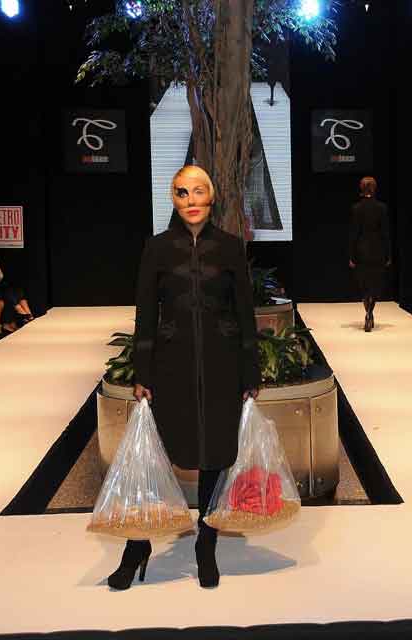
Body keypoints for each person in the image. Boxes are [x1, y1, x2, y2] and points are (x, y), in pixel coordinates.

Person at [107, 165, 261, 591]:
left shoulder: (230, 247)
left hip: (221, 365)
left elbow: (245, 312)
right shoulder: (157, 248)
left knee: (215, 454)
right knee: (156, 457)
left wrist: (250, 369)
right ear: (173, 199)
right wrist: (142, 370)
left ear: (212, 196)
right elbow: (145, 314)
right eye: (182, 192)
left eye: (198, 191)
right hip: (170, 366)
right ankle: (137, 545)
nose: (191, 200)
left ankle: (205, 543)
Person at [349, 176, 391, 332]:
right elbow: (385, 233)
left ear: (361, 188)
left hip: (361, 251)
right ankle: (370, 313)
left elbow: (354, 234)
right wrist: (388, 255)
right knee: (375, 285)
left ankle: (368, 313)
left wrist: (351, 255)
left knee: (364, 286)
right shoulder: (382, 208)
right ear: (374, 189)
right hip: (378, 251)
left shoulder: (356, 208)